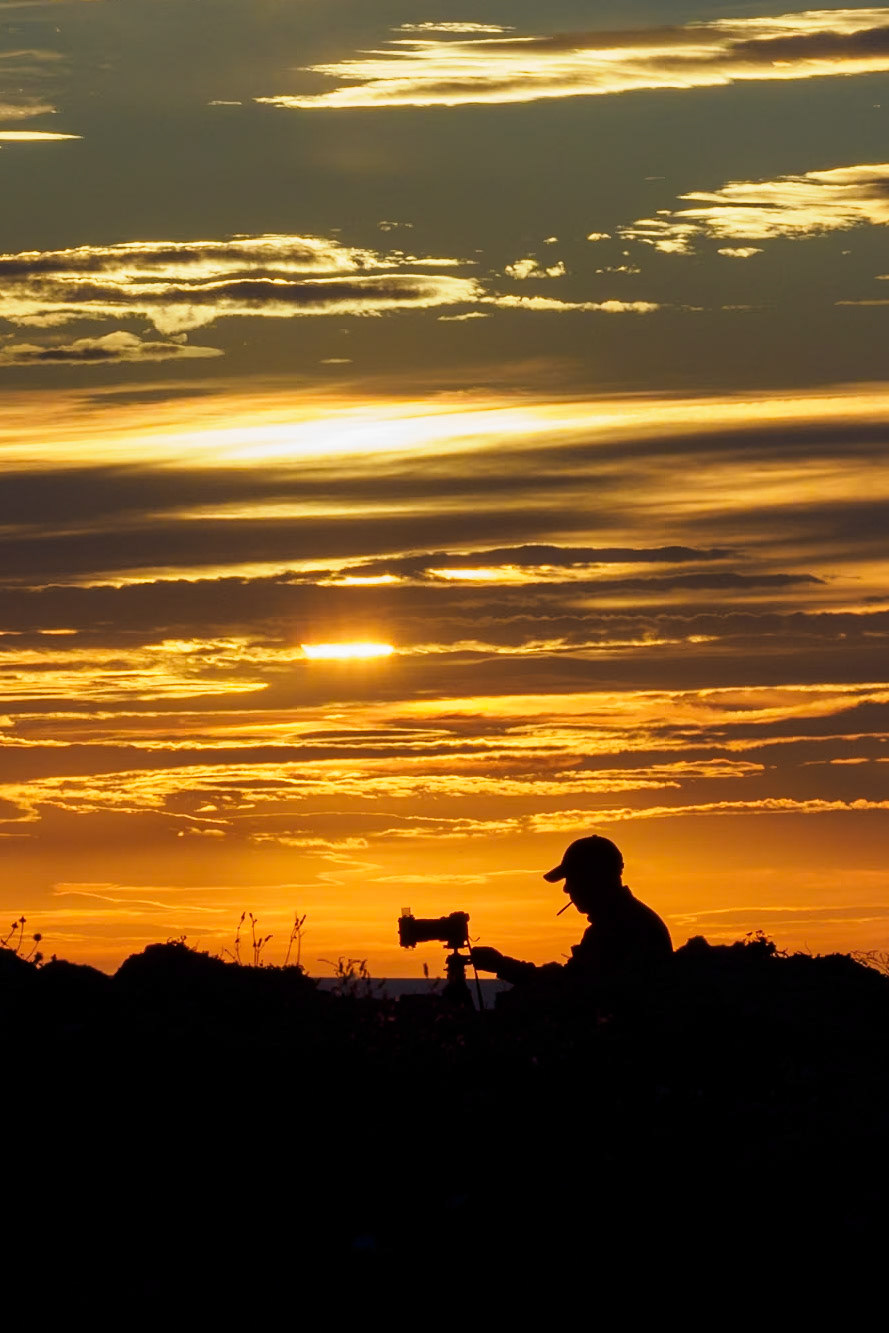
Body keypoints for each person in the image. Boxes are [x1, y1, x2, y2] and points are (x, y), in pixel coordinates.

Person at [470, 835, 672, 986]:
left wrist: (501, 965)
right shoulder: (627, 919)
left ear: (592, 879)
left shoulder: (619, 927)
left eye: (571, 880)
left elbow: (569, 987)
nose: (566, 889)